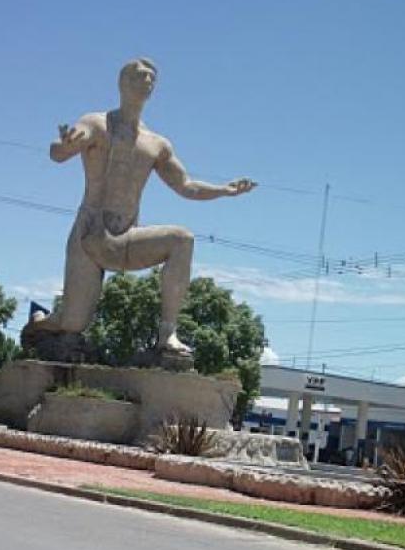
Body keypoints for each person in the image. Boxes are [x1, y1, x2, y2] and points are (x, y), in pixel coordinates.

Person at [22, 58, 257, 356]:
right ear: (122, 83)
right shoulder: (96, 123)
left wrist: (225, 190)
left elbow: (186, 186)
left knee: (182, 240)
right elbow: (58, 153)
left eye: (151, 78)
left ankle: (167, 335)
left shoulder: (157, 144)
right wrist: (65, 147)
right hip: (89, 235)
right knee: (72, 324)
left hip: (126, 238)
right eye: (139, 75)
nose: (146, 81)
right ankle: (42, 321)